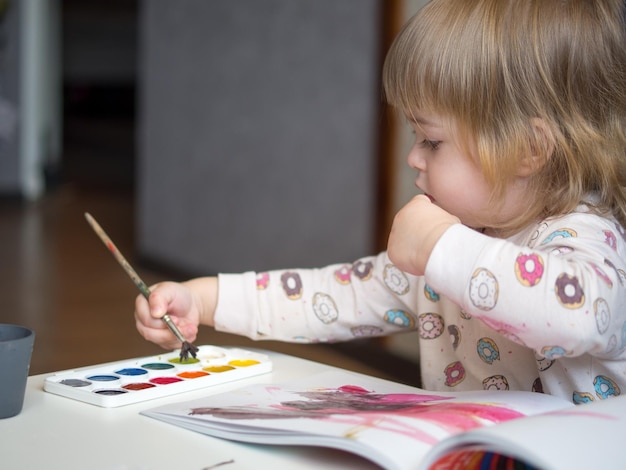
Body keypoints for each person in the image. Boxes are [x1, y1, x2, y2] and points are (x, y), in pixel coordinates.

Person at [134, 0, 626, 404]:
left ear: (529, 149)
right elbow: (331, 297)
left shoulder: (586, 235)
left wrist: (440, 245)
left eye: (432, 141)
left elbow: (580, 317)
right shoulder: (455, 245)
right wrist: (205, 300)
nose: (413, 157)